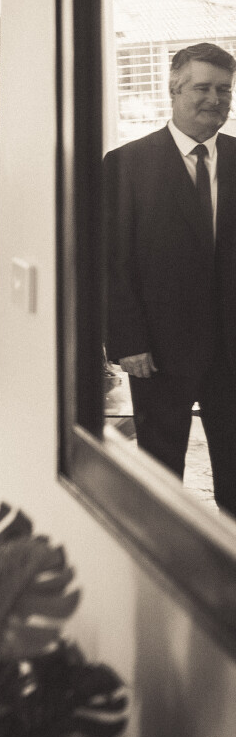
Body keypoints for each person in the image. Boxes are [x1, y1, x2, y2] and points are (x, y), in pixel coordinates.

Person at [105, 42, 236, 513]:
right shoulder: (126, 164)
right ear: (174, 90)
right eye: (203, 88)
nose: (215, 99)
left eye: (224, 90)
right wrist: (128, 340)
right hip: (158, 352)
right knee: (160, 483)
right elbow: (112, 261)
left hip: (232, 351)